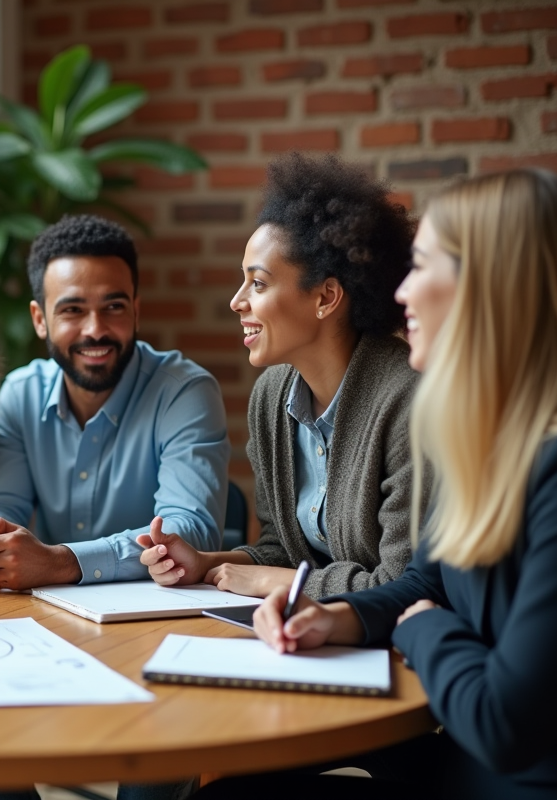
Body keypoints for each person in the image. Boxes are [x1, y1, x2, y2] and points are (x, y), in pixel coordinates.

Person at [218, 169, 557, 800]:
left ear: (493, 288)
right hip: (460, 766)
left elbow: (505, 724)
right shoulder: (493, 443)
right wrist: (331, 619)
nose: (403, 293)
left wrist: (423, 628)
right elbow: (426, 580)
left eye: (423, 268)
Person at [140, 154, 423, 599]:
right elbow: (282, 550)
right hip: (306, 637)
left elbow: (405, 583)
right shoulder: (272, 396)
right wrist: (206, 563)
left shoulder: (408, 400)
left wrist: (290, 585)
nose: (237, 302)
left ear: (326, 296)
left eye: (258, 283)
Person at [0, 214, 230, 591]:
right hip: (50, 614)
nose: (95, 329)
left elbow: (190, 531)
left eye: (114, 307)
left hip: (159, 613)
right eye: (72, 310)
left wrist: (60, 563)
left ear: (136, 311)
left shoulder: (184, 391)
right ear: (40, 319)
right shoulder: (20, 393)